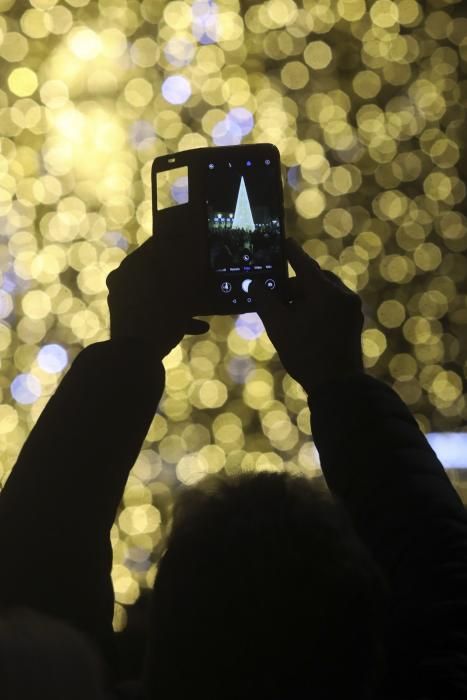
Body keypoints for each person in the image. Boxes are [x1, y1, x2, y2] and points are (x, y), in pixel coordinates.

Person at [0, 231, 465, 699]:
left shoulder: (47, 672)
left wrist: (128, 353)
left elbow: (33, 574)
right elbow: (442, 584)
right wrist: (340, 382)